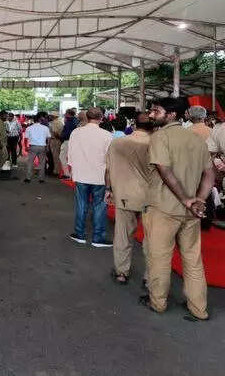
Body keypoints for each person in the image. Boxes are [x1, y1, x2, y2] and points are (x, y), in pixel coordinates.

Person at [142, 97, 214, 321]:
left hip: (163, 209)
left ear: (172, 115)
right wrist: (198, 200)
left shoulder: (159, 137)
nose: (151, 115)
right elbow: (210, 174)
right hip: (191, 213)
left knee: (159, 258)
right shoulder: (196, 140)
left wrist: (185, 199)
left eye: (156, 111)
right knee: (192, 260)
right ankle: (199, 308)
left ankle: (158, 303)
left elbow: (165, 171)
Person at [105, 112, 155, 284]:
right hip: (152, 198)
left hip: (124, 195)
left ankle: (121, 272)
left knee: (123, 235)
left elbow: (108, 169)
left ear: (134, 124)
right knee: (152, 239)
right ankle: (150, 277)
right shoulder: (156, 143)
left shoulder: (118, 142)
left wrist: (109, 189)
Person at [67, 107, 113, 247]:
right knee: (99, 206)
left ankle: (79, 234)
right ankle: (98, 238)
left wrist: (73, 169)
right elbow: (110, 159)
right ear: (101, 118)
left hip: (81, 174)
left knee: (81, 204)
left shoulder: (76, 132)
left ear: (87, 117)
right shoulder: (107, 135)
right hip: (100, 176)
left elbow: (71, 153)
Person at [24, 111, 50, 183]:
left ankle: (28, 178)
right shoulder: (45, 128)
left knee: (30, 162)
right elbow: (48, 138)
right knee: (42, 163)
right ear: (39, 120)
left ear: (33, 120)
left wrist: (26, 146)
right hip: (42, 146)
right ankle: (41, 179)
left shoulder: (29, 128)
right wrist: (47, 146)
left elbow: (26, 138)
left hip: (32, 146)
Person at [59, 108, 78, 179]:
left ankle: (67, 174)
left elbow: (68, 132)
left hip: (68, 140)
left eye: (66, 113)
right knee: (72, 158)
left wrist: (62, 136)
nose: (65, 114)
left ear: (68, 114)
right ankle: (71, 174)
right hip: (72, 141)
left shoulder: (70, 122)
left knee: (62, 156)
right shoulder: (75, 120)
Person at [49, 112, 64, 177]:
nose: (50, 117)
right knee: (58, 156)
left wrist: (58, 138)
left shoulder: (53, 123)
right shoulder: (60, 122)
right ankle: (58, 170)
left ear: (53, 116)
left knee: (55, 156)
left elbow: (55, 132)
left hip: (54, 140)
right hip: (59, 140)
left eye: (51, 115)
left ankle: (56, 171)